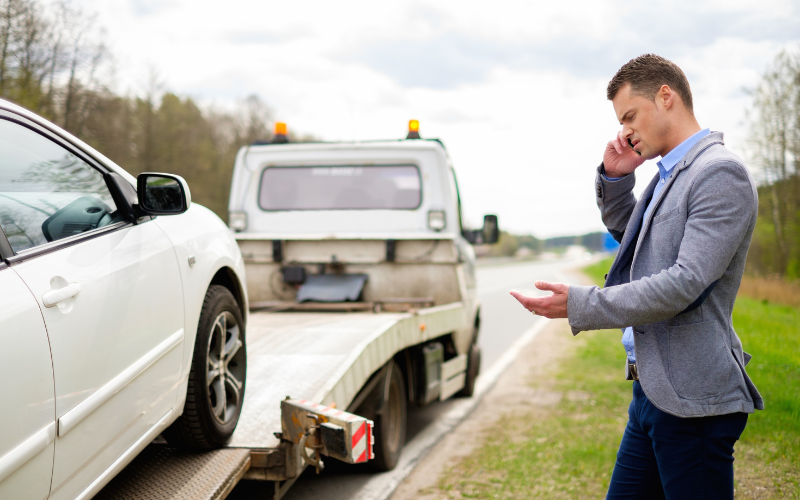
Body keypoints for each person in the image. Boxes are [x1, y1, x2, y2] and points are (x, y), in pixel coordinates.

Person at [510, 54, 763, 499]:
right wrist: (615, 179)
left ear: (666, 96)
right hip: (652, 391)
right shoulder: (667, 175)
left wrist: (580, 304)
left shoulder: (719, 173)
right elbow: (639, 244)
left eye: (630, 115)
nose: (625, 130)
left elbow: (685, 283)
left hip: (692, 402)